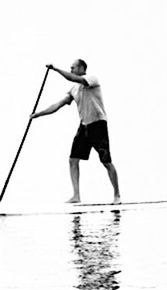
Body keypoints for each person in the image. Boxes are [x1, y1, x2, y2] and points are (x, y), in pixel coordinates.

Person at [31, 59, 120, 204]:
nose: (71, 70)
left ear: (81, 68)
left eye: (73, 67)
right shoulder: (73, 89)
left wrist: (56, 70)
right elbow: (57, 105)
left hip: (98, 125)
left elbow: (73, 78)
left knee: (106, 161)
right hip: (84, 127)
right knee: (73, 160)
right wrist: (38, 114)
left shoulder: (92, 79)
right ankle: (76, 196)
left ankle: (117, 195)